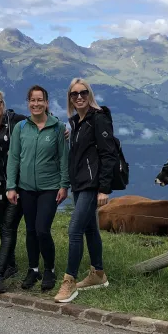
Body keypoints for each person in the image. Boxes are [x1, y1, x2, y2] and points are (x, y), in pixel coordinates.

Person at [54, 78, 115, 303]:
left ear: (90, 94)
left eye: (83, 93)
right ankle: (98, 274)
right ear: (69, 98)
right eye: (74, 94)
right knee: (90, 230)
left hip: (91, 185)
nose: (79, 97)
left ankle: (69, 282)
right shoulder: (76, 122)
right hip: (79, 184)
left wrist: (103, 189)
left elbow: (109, 155)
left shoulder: (98, 119)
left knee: (74, 230)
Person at [6, 85, 69, 292]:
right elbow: (14, 158)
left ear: (46, 103)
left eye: (40, 100)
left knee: (42, 229)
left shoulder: (58, 128)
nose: (36, 104)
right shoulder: (21, 128)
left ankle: (49, 269)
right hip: (25, 188)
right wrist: (11, 186)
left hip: (50, 187)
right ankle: (33, 269)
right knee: (31, 230)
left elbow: (63, 158)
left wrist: (64, 185)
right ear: (28, 103)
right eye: (32, 100)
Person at [0, 85, 26, 293]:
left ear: (3, 103)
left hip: (16, 186)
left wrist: (61, 129)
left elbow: (41, 119)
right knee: (3, 228)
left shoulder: (16, 120)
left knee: (8, 229)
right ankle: (11, 265)